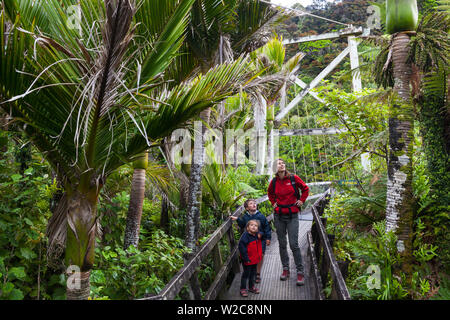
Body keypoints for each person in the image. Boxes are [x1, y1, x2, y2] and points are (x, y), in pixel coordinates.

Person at [268, 158, 309, 286]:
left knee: (294, 244)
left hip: (292, 216)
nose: (282, 165)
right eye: (279, 164)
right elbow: (269, 193)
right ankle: (285, 269)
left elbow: (306, 189)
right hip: (279, 216)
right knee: (282, 243)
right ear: (275, 168)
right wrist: (273, 203)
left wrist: (302, 200)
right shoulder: (274, 182)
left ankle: (300, 271)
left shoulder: (293, 178)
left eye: (283, 163)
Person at [230, 199, 271, 283]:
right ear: (247, 208)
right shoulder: (245, 217)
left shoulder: (261, 216)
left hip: (260, 239)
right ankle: (251, 272)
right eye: (251, 204)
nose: (254, 204)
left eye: (255, 203)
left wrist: (268, 238)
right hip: (250, 240)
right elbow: (242, 225)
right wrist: (237, 219)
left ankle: (258, 273)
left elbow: (267, 227)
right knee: (251, 255)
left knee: (261, 255)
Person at [237, 219, 263, 297]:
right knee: (246, 274)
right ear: (247, 228)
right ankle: (243, 288)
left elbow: (263, 233)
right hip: (247, 260)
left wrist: (261, 233)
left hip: (255, 260)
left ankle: (251, 287)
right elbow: (242, 248)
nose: (254, 227)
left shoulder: (257, 235)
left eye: (256, 226)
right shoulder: (245, 237)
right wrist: (246, 258)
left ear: (258, 228)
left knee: (253, 274)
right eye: (251, 225)